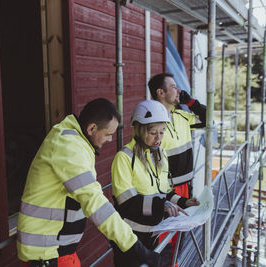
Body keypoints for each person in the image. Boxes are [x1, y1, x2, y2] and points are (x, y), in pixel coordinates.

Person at [17, 98, 160, 267]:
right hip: (48, 254)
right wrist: (136, 248)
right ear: (92, 128)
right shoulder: (69, 147)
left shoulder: (77, 142)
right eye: (108, 134)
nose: (109, 140)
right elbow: (95, 203)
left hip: (57, 249)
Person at [111, 100, 199, 267]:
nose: (159, 139)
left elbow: (164, 191)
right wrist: (161, 205)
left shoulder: (159, 154)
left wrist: (184, 202)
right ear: (139, 130)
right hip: (131, 239)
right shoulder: (124, 158)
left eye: (162, 132)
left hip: (155, 233)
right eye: (153, 133)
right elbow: (127, 203)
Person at [147, 73, 206, 264]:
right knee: (163, 241)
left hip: (185, 188)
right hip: (166, 192)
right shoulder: (151, 123)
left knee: (179, 239)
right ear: (160, 92)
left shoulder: (182, 116)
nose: (179, 90)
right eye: (173, 86)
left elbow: (209, 119)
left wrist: (193, 103)